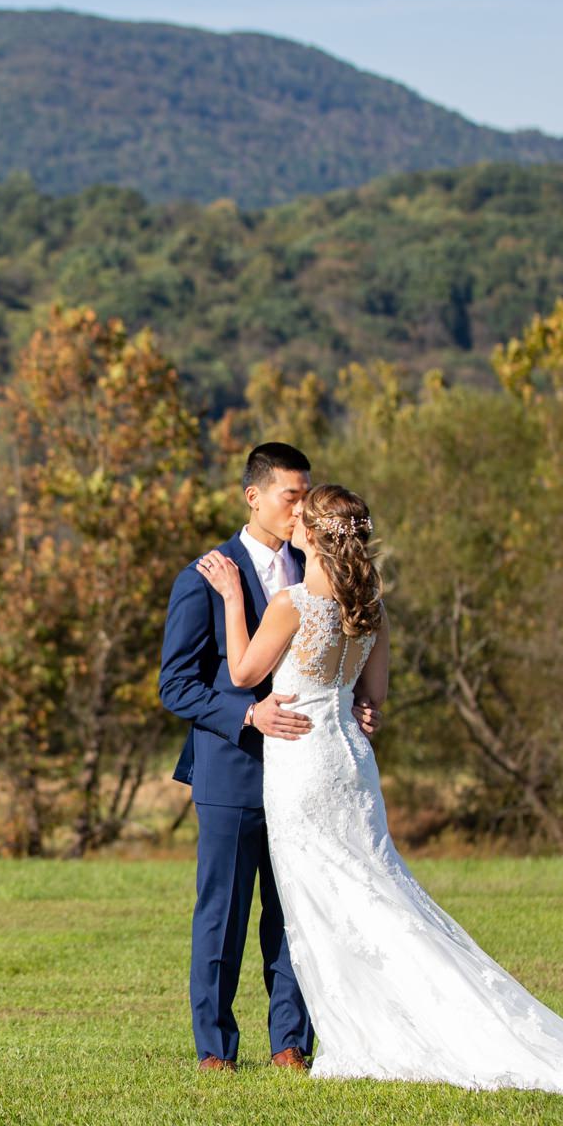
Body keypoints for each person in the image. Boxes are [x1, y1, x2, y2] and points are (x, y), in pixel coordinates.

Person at [190, 482, 563, 1094]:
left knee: (330, 899)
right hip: (350, 763)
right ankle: (363, 1027)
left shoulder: (290, 603)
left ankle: (370, 1031)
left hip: (304, 763)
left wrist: (234, 599)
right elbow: (375, 698)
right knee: (371, 889)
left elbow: (242, 672)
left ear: (312, 535)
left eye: (302, 518)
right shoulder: (371, 608)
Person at [158, 442, 377, 1073]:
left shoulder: (318, 572)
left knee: (295, 914)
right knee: (222, 917)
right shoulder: (204, 576)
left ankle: (291, 1045)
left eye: (307, 497)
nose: (300, 509)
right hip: (232, 772)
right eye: (290, 496)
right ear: (253, 496)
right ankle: (215, 1052)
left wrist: (357, 705)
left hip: (308, 775)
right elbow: (176, 685)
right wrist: (247, 714)